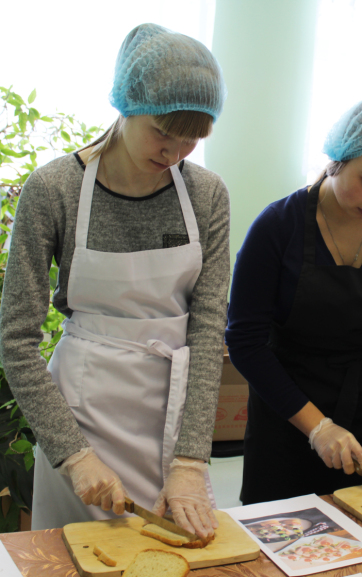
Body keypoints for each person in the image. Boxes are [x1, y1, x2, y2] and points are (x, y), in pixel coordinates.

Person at [0, 24, 229, 537]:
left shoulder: (207, 195)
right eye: (163, 133)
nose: (175, 152)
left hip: (172, 414)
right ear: (126, 104)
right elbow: (16, 342)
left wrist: (191, 460)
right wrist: (74, 455)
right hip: (82, 413)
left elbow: (208, 329)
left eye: (192, 137)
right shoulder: (55, 188)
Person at [226, 97, 362, 504]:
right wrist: (318, 427)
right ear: (338, 159)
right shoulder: (277, 227)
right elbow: (245, 342)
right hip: (289, 418)